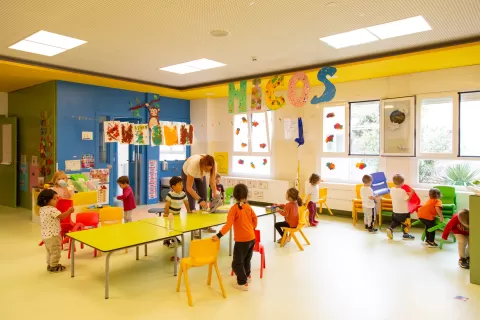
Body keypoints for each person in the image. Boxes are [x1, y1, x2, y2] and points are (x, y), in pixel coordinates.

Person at [212, 184, 257, 291]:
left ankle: (242, 282)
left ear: (234, 195)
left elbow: (228, 225)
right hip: (252, 238)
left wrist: (219, 236)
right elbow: (255, 219)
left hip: (242, 240)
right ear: (246, 195)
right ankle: (247, 276)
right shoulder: (248, 206)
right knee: (247, 259)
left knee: (236, 263)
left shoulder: (234, 209)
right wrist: (251, 229)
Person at [38, 189, 74, 273]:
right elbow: (62, 217)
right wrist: (69, 211)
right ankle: (54, 266)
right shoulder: (52, 209)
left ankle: (50, 264)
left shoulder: (42, 209)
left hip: (46, 235)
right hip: (53, 235)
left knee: (50, 251)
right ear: (46, 200)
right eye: (54, 199)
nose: (57, 200)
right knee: (56, 251)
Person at [182, 154, 217, 233]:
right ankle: (193, 228)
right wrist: (200, 200)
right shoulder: (193, 165)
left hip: (200, 175)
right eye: (206, 169)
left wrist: (215, 193)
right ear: (202, 165)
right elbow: (189, 188)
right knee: (192, 200)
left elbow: (212, 181)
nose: (208, 171)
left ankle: (205, 225)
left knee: (204, 196)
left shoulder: (213, 164)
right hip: (187, 173)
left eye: (209, 170)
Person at [163, 176, 191, 248]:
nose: (182, 186)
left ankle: (174, 239)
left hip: (177, 215)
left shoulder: (183, 194)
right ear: (173, 187)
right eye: (180, 184)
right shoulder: (170, 194)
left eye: (182, 184)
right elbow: (167, 205)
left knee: (176, 228)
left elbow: (186, 203)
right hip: (170, 215)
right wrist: (166, 214)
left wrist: (189, 211)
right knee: (169, 228)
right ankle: (166, 241)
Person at [386, 174, 415, 240]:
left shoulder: (392, 189)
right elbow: (407, 199)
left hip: (395, 210)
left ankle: (390, 229)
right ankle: (406, 235)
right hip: (404, 211)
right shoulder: (403, 191)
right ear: (402, 183)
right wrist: (411, 194)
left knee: (395, 222)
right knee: (406, 223)